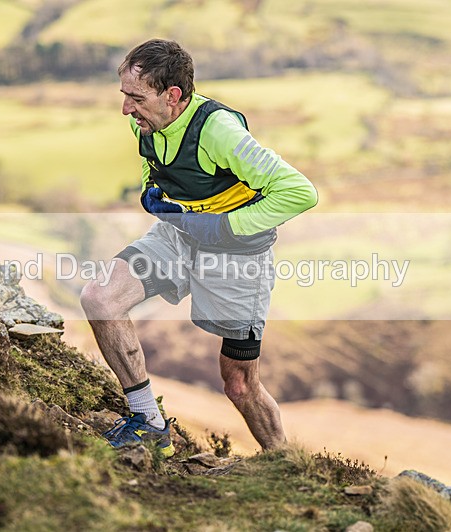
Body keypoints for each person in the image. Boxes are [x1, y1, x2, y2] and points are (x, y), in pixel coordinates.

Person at [80, 39, 318, 457]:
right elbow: (151, 160)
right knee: (100, 298)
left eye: (136, 98)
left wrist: (223, 227)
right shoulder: (145, 121)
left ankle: (287, 465)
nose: (126, 109)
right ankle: (148, 422)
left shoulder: (217, 130)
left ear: (173, 96)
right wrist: (151, 191)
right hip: (179, 236)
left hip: (239, 255)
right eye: (124, 96)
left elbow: (300, 192)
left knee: (239, 384)